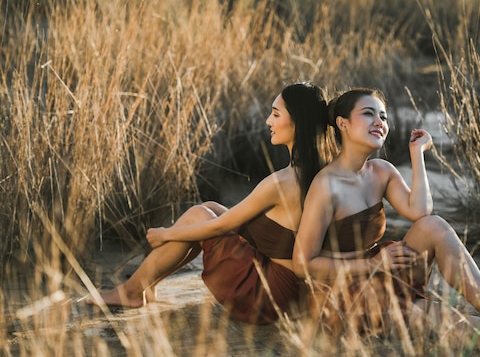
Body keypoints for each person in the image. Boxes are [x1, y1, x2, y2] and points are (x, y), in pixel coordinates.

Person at [293, 88, 480, 352]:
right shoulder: (325, 185)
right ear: (342, 124)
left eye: (383, 116)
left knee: (434, 226)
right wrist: (370, 264)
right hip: (343, 296)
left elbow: (420, 212)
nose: (379, 121)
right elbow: (303, 264)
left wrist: (417, 154)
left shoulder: (381, 171)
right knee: (423, 311)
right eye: (368, 114)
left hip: (378, 274)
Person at [89, 82, 336, 324]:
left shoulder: (282, 182)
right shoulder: (324, 172)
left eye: (275, 114)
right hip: (295, 292)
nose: (268, 122)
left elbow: (220, 227)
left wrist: (166, 234)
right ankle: (145, 284)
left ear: (298, 122)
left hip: (268, 297)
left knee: (201, 216)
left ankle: (131, 291)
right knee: (213, 207)